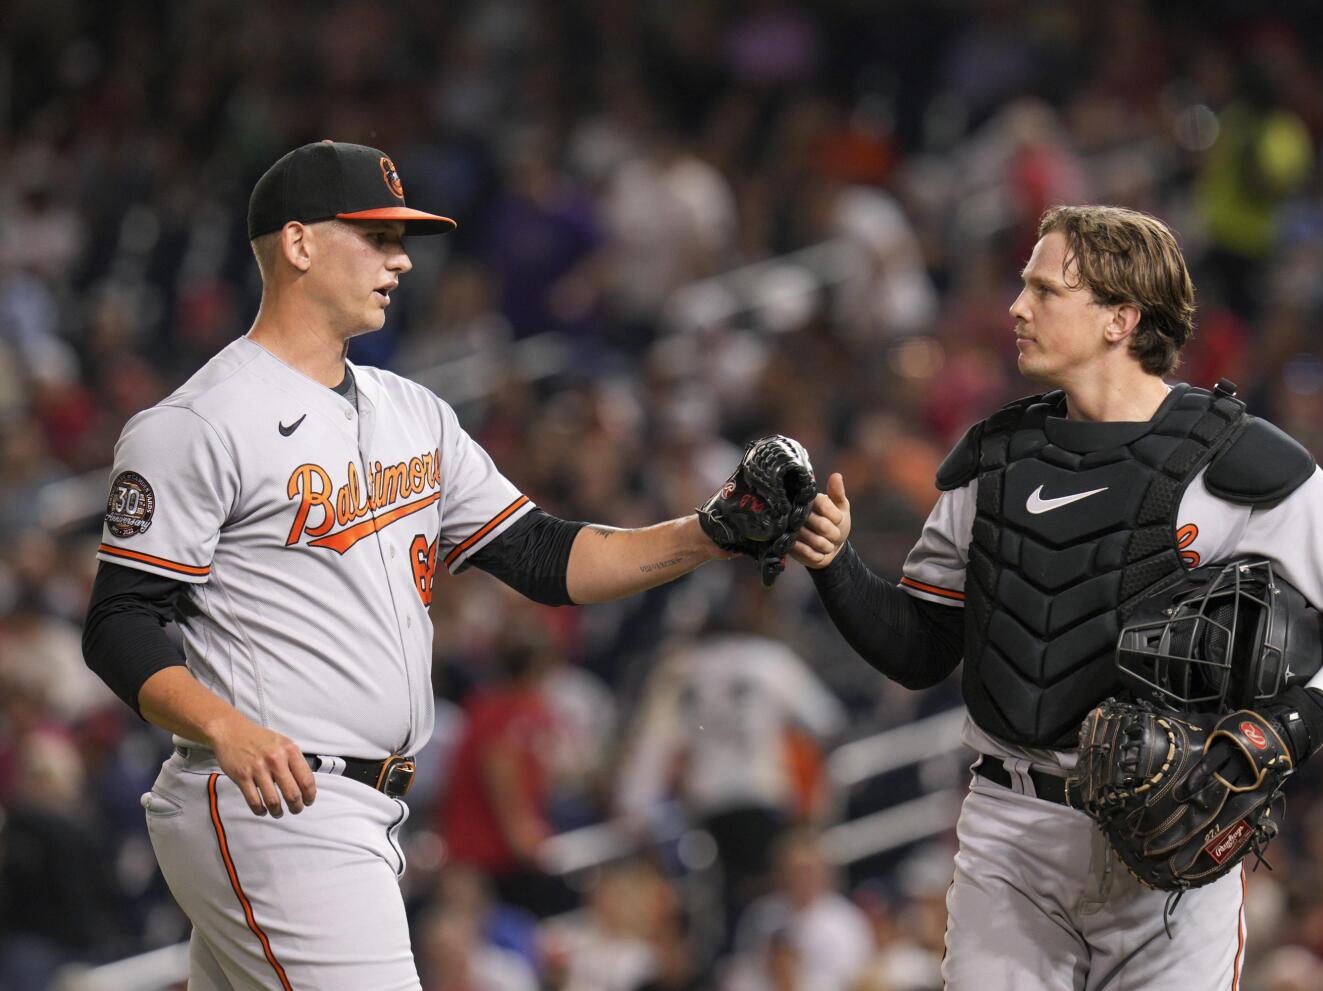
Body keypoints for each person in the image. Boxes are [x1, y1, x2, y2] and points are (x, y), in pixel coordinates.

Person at [79, 140, 794, 991]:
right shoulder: (200, 421)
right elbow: (119, 621)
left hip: (354, 805)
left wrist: (707, 533)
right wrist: (226, 727)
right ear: (300, 244)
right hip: (279, 805)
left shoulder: (410, 409)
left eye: (402, 239)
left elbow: (541, 554)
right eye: (376, 237)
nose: (402, 258)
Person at [787, 204, 1323, 988]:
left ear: (1121, 317)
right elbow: (919, 648)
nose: (1016, 308)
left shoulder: (1236, 459)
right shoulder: (993, 460)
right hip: (1013, 834)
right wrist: (834, 562)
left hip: (1177, 844)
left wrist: (1289, 727)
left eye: (1045, 290)